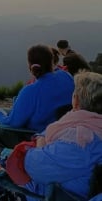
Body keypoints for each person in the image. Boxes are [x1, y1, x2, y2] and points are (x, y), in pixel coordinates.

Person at [0, 44, 74, 158]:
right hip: (59, 130)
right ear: (52, 60)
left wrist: (0, 114)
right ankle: (6, 155)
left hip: (33, 135)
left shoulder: (31, 90)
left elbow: (13, 122)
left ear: (30, 65)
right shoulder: (66, 77)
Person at [21, 71, 102, 201]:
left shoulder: (81, 140)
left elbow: (32, 165)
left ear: (76, 101)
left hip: (49, 193)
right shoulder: (85, 125)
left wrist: (39, 145)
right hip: (73, 186)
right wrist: (42, 137)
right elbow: (49, 130)